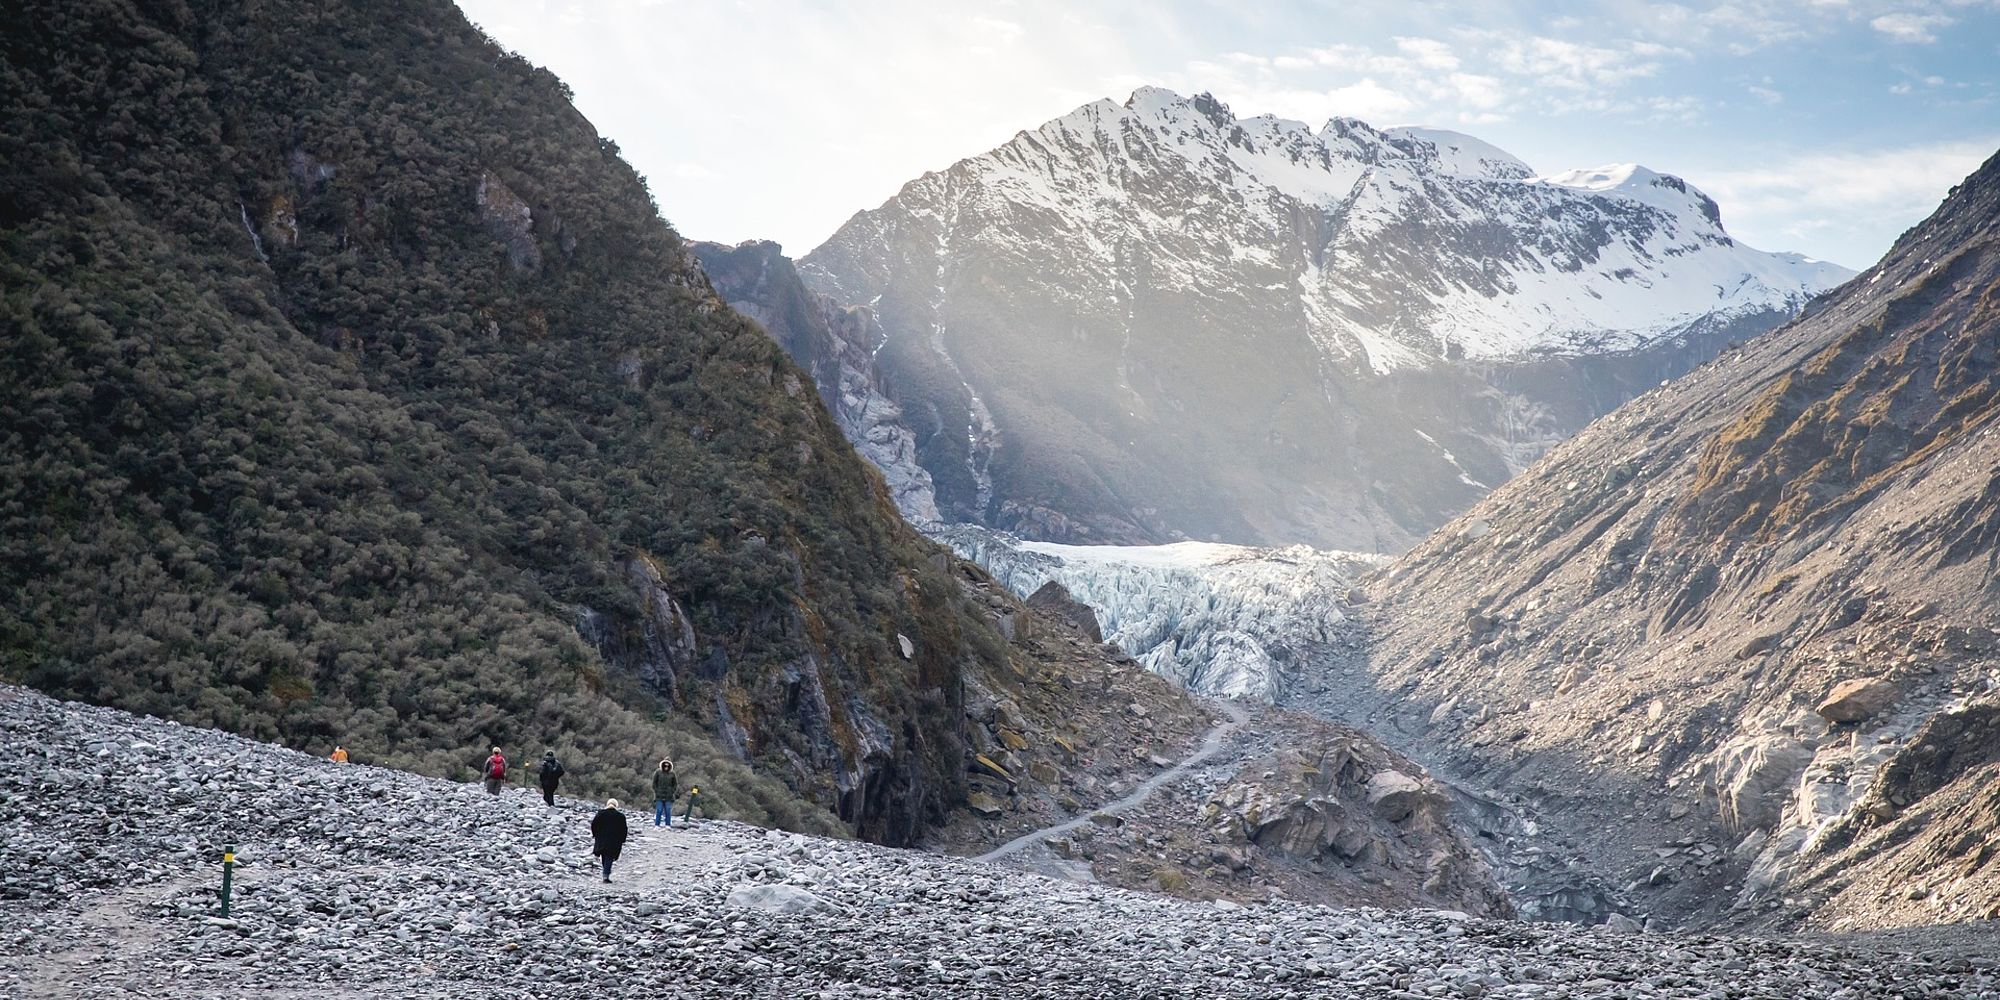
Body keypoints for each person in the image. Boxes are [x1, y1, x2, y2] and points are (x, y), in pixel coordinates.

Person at [590, 798, 628, 883]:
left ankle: (605, 873)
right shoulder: (620, 816)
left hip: (601, 839)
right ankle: (606, 875)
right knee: (609, 857)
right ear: (616, 805)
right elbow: (624, 829)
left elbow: (594, 825)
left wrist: (595, 835)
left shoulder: (601, 814)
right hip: (614, 840)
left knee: (604, 856)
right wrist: (623, 839)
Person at [650, 759, 678, 827]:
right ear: (662, 765)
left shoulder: (672, 774)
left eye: (668, 765)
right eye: (665, 765)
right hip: (659, 795)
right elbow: (654, 783)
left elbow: (675, 784)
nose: (666, 766)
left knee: (668, 810)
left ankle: (668, 825)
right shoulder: (658, 772)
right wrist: (656, 791)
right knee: (659, 810)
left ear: (670, 766)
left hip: (669, 796)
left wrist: (672, 791)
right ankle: (657, 825)